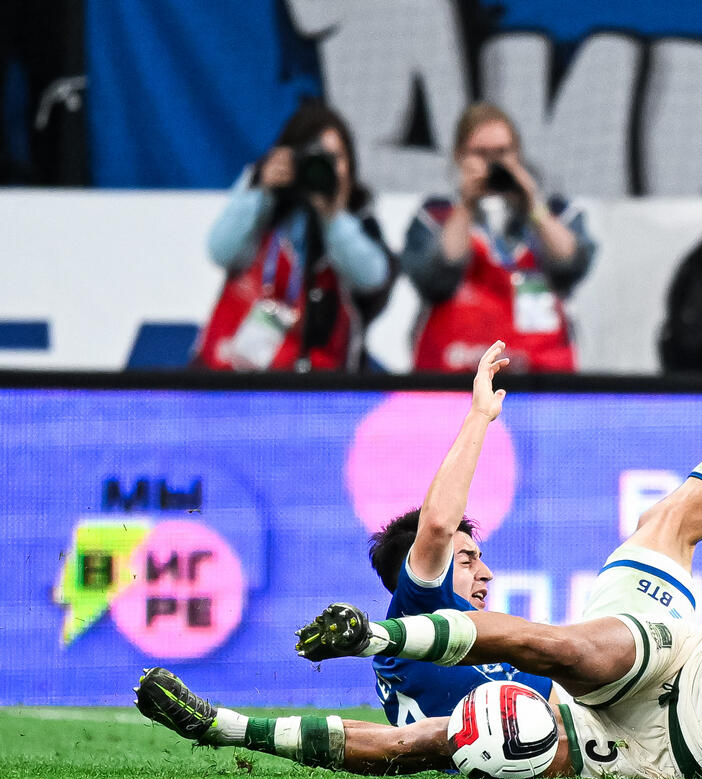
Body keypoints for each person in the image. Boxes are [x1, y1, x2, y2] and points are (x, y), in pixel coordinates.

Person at [137, 349, 702, 779]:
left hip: (645, 663)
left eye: (480, 557)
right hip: (589, 732)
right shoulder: (424, 592)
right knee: (491, 704)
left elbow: (513, 634)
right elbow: (393, 728)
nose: (480, 569)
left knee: (625, 572)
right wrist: (480, 418)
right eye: (468, 559)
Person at [364, 340, 554, 726]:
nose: (487, 574)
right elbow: (437, 525)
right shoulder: (419, 608)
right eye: (467, 561)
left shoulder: (486, 640)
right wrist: (480, 415)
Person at [194, 101, 394, 371]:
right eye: (312, 158)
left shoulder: (359, 220)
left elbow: (372, 278)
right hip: (238, 380)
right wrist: (260, 189)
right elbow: (220, 251)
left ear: (351, 163)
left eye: (335, 159)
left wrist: (333, 218)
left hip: (322, 384)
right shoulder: (265, 208)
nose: (322, 168)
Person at [401, 103, 595, 374]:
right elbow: (435, 276)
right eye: (481, 154)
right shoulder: (435, 216)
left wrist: (533, 206)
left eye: (502, 152)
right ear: (459, 156)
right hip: (453, 379)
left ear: (518, 154)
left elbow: (572, 264)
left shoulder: (555, 212)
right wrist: (467, 204)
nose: (493, 164)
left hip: (539, 380)